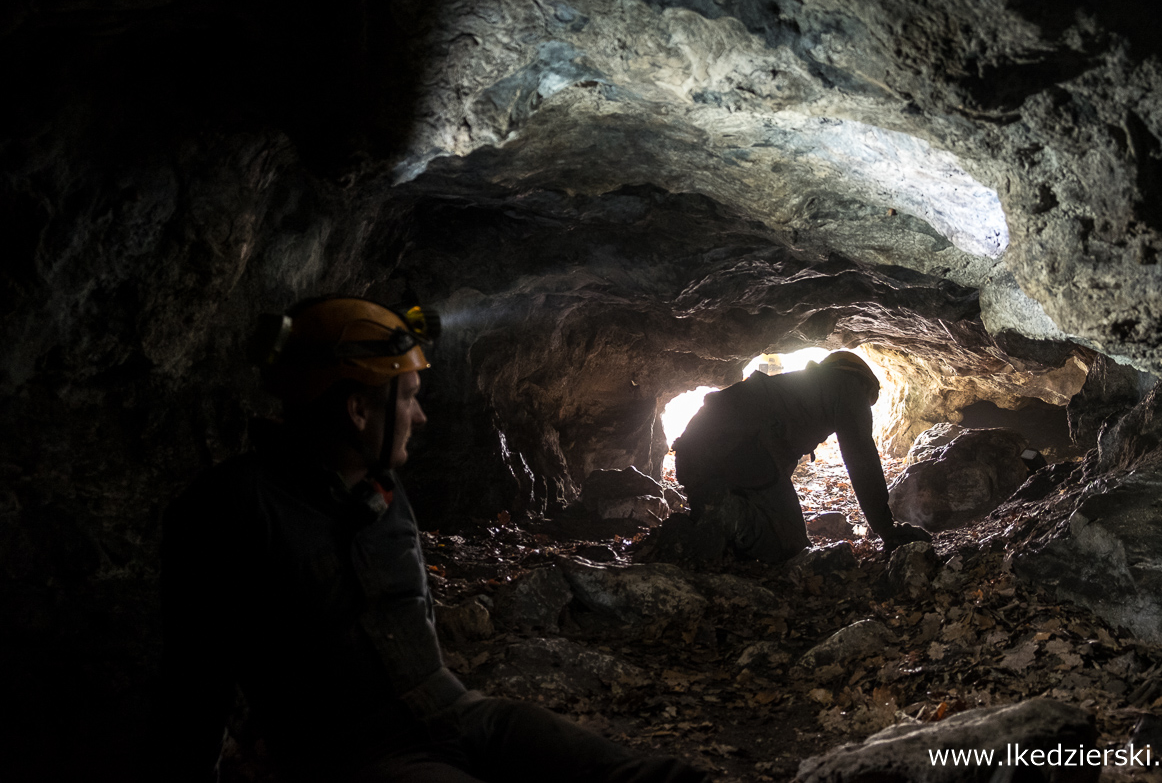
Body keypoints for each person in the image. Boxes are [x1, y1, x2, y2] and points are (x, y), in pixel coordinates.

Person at [157, 296, 708, 783]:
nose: (420, 417)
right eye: (409, 398)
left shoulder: (382, 492)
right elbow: (191, 691)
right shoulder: (233, 509)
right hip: (358, 756)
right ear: (357, 410)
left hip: (458, 713)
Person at [671, 351, 930, 563]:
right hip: (735, 447)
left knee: (771, 530)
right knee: (792, 547)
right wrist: (886, 528)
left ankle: (711, 517)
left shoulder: (800, 391)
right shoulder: (850, 386)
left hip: (700, 450)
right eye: (868, 401)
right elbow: (860, 456)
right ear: (865, 384)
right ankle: (728, 515)